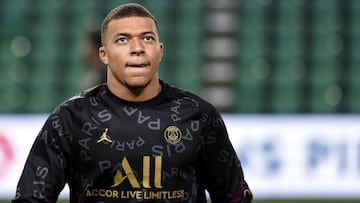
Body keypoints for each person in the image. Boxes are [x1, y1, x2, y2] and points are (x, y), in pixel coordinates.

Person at [12, 3, 252, 203]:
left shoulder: (199, 116)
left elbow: (234, 197)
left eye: (147, 38)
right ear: (103, 54)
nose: (137, 49)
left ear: (160, 51)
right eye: (123, 40)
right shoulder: (71, 118)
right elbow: (32, 197)